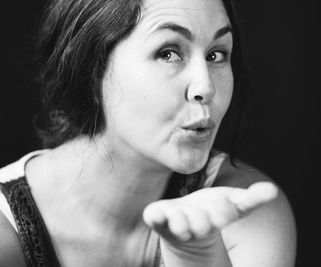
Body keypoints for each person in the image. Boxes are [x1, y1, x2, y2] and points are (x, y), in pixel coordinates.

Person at [0, 0, 296, 266]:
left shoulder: (247, 209)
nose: (206, 87)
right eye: (168, 53)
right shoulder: (6, 231)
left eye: (216, 54)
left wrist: (198, 256)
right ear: (91, 68)